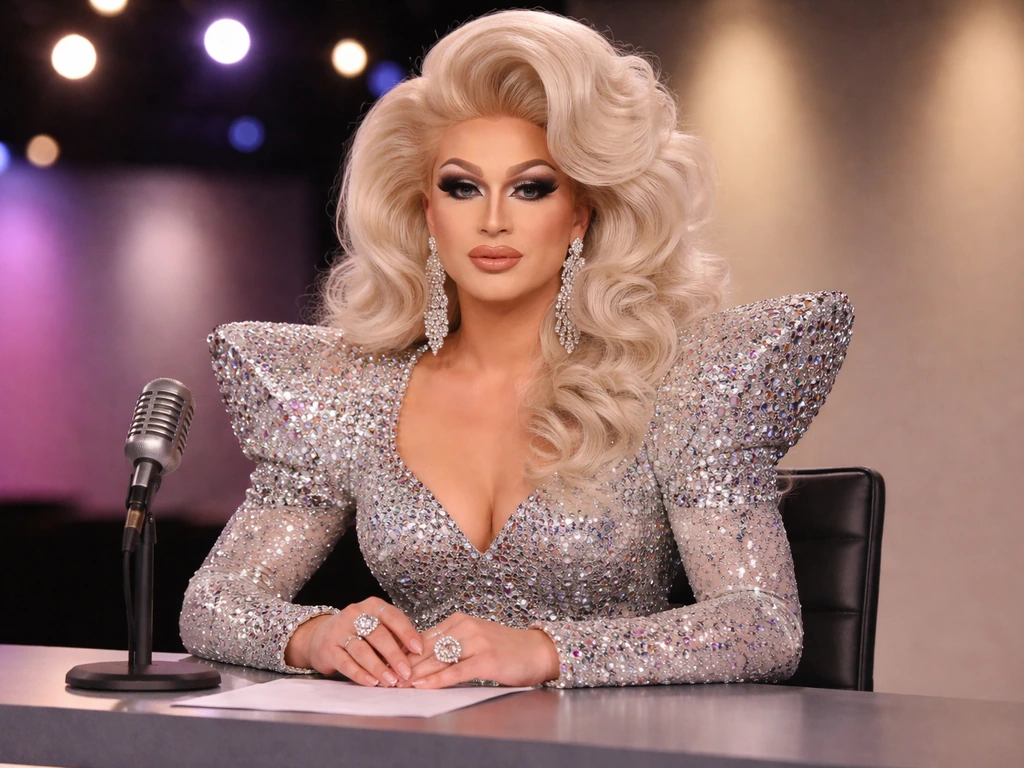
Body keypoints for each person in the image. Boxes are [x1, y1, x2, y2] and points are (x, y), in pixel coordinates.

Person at [180, 9, 853, 689]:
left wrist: (548, 652)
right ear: (427, 211)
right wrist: (312, 635)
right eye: (462, 187)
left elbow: (763, 625)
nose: (493, 219)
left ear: (580, 214)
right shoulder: (350, 393)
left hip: (620, 738)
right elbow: (212, 603)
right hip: (417, 734)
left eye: (531, 188)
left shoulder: (680, 384)